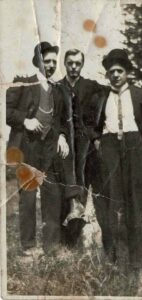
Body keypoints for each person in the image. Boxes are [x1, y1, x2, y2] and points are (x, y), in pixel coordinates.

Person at [92, 49, 142, 272]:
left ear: (127, 72)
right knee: (110, 204)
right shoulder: (100, 97)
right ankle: (112, 260)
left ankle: (137, 264)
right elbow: (88, 124)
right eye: (111, 71)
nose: (115, 75)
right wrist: (97, 140)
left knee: (135, 206)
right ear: (107, 74)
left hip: (135, 149)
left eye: (119, 71)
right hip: (109, 150)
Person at [6, 42, 75, 255]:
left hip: (49, 150)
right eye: (47, 61)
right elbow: (6, 111)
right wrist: (24, 121)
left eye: (55, 61)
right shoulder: (23, 83)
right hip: (27, 147)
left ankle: (51, 246)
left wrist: (62, 136)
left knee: (52, 195)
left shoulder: (59, 90)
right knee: (27, 197)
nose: (52, 65)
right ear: (38, 61)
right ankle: (28, 247)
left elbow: (63, 121)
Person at [59, 49, 104, 247]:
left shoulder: (91, 86)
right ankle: (65, 240)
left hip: (84, 143)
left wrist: (95, 133)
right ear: (65, 64)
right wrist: (60, 135)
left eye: (77, 63)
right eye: (70, 63)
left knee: (83, 183)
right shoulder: (58, 87)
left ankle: (80, 239)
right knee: (64, 187)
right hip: (64, 142)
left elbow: (106, 99)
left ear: (82, 64)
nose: (74, 67)